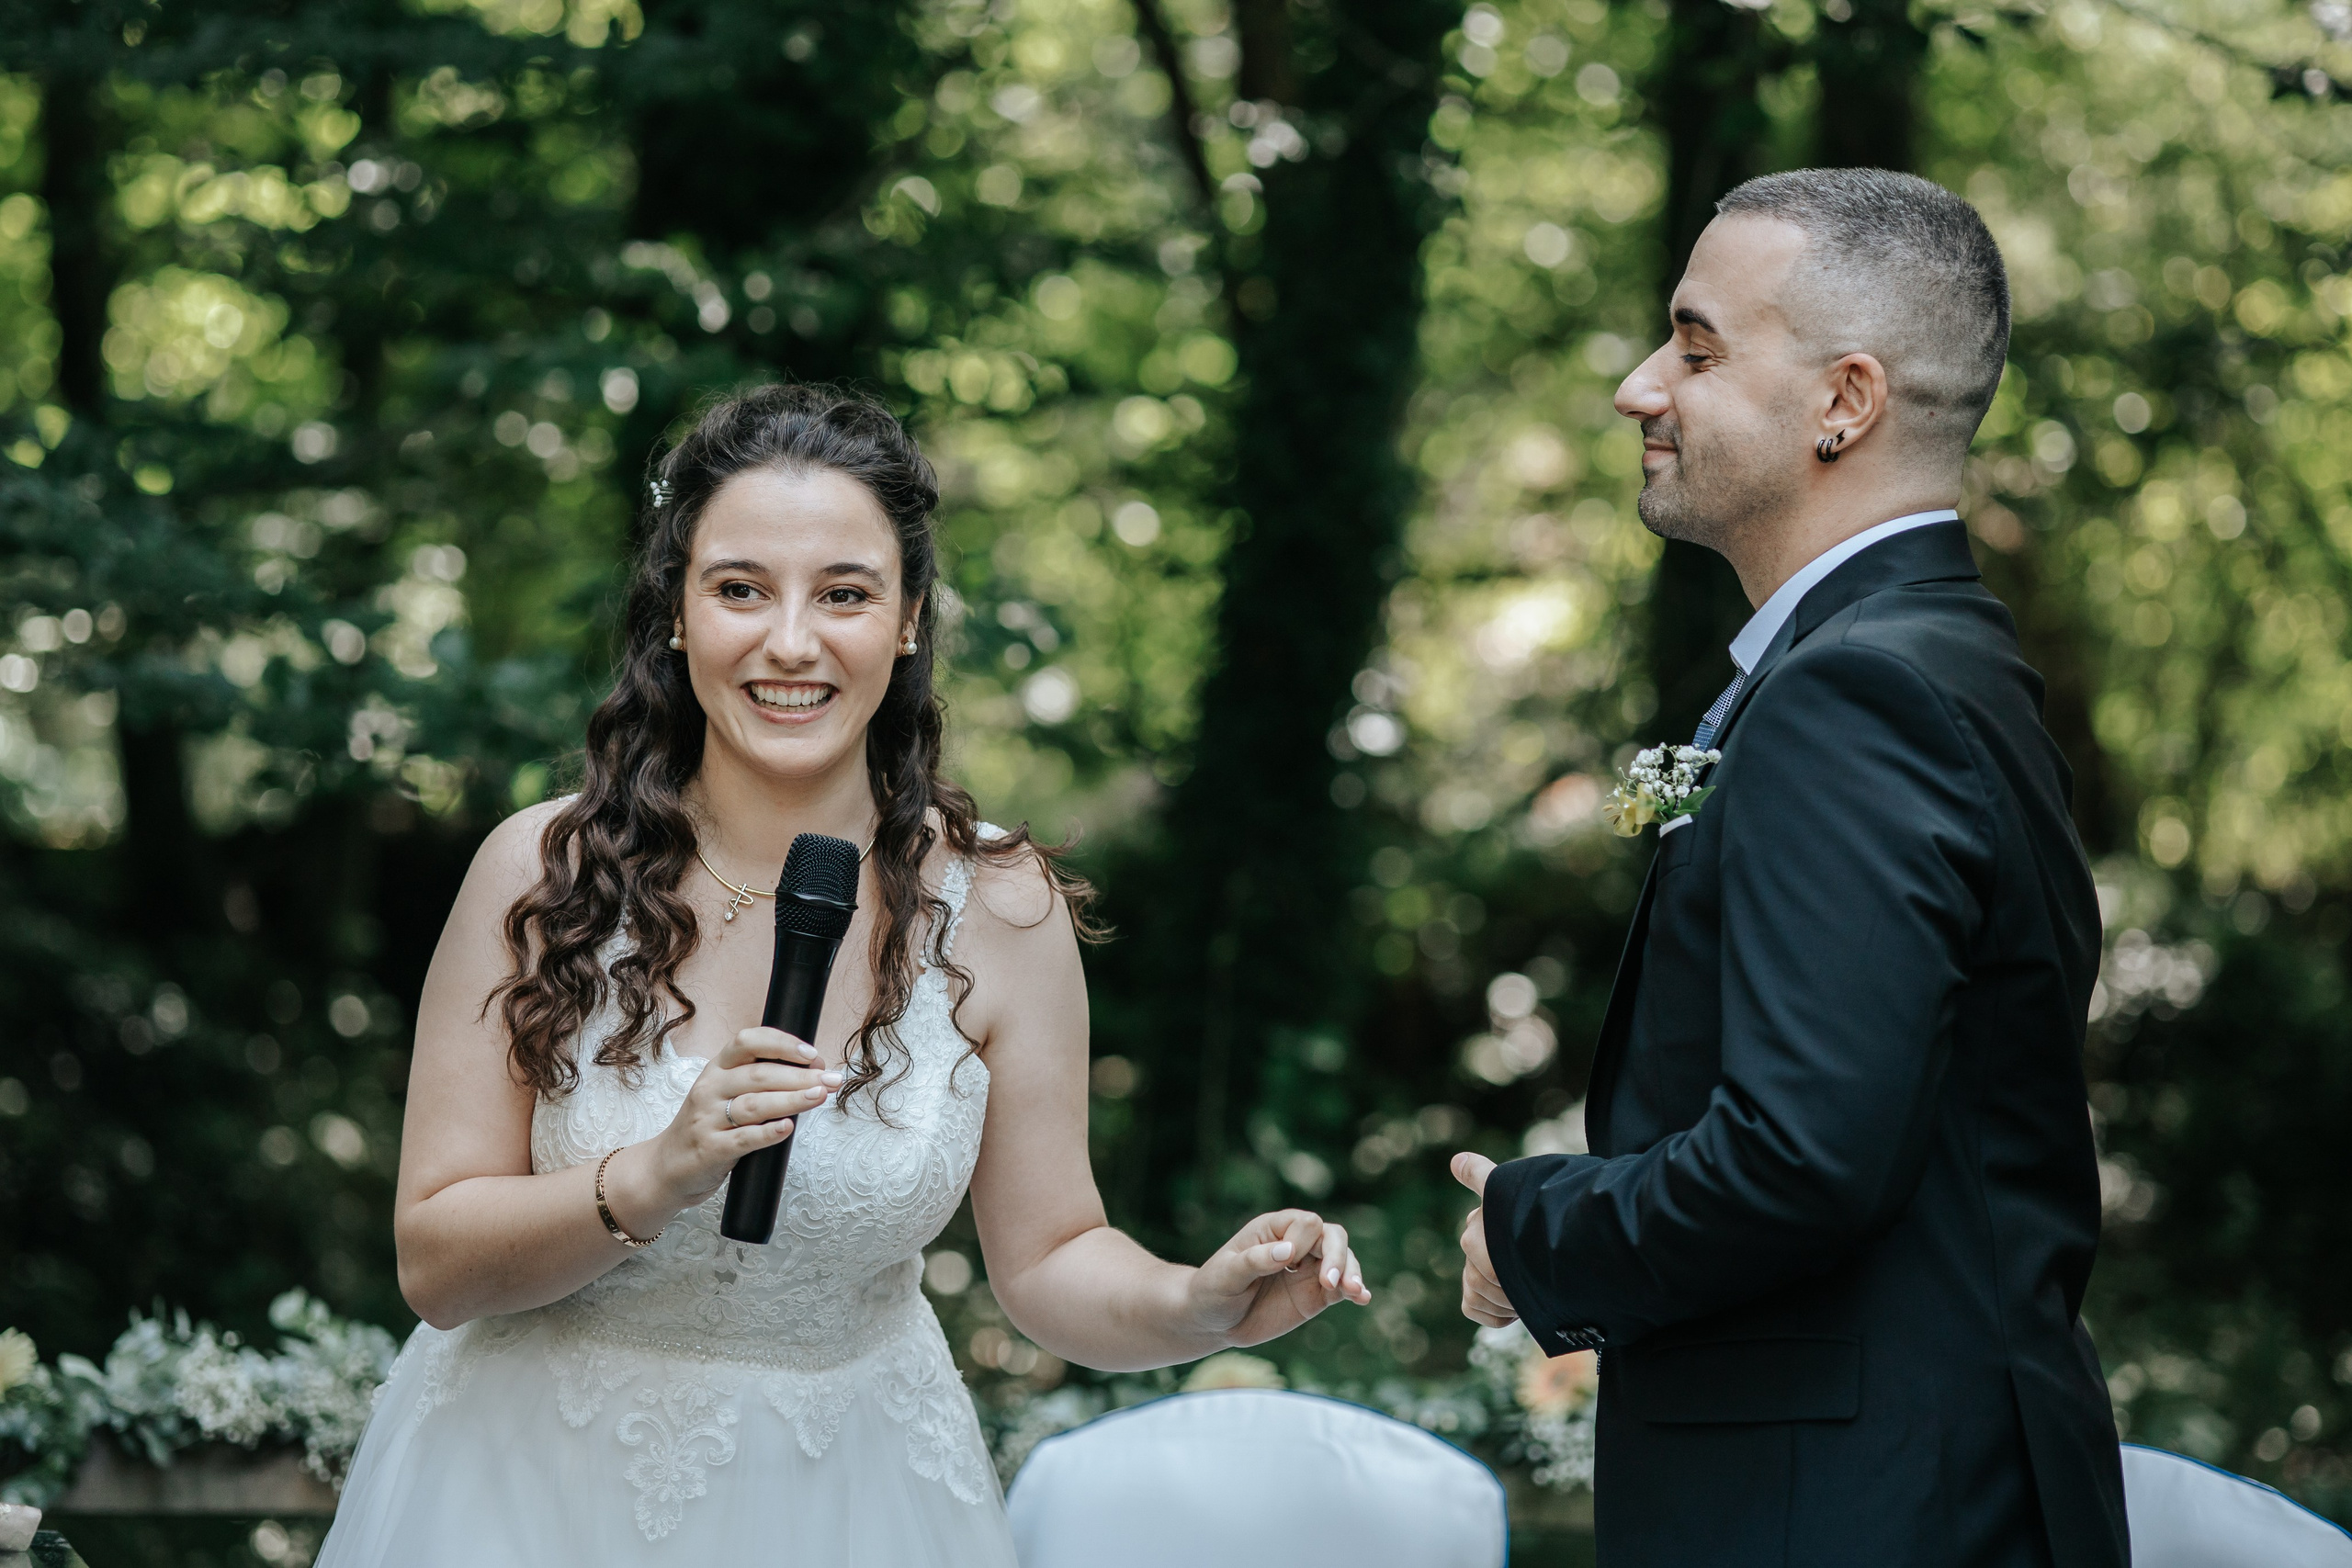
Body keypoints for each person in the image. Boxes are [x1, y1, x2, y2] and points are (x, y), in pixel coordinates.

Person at [317, 384, 1371, 1565]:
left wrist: (1195, 1303)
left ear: (908, 620)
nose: (790, 642)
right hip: (524, 1499)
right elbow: (436, 1262)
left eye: (845, 594)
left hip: (850, 1501)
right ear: (675, 612)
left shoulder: (1000, 906)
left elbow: (1052, 1257)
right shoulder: (542, 872)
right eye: (739, 589)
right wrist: (651, 1176)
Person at [1453, 170, 2128, 1567]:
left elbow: (1803, 1157)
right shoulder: (1944, 661)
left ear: (1846, 401)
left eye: (1696, 348)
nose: (1643, 389)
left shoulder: (1857, 694)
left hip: (1860, 1515)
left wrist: (1535, 1227)